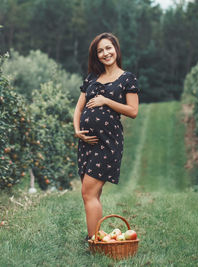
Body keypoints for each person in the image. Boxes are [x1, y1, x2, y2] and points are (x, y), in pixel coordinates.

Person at [73, 32, 140, 241]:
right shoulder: (92, 78)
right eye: (100, 50)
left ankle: (94, 240)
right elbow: (79, 107)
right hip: (86, 143)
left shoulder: (127, 78)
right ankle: (96, 238)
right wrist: (77, 130)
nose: (105, 53)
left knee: (88, 193)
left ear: (116, 49)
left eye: (108, 48)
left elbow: (133, 111)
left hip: (108, 143)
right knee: (92, 194)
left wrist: (106, 101)